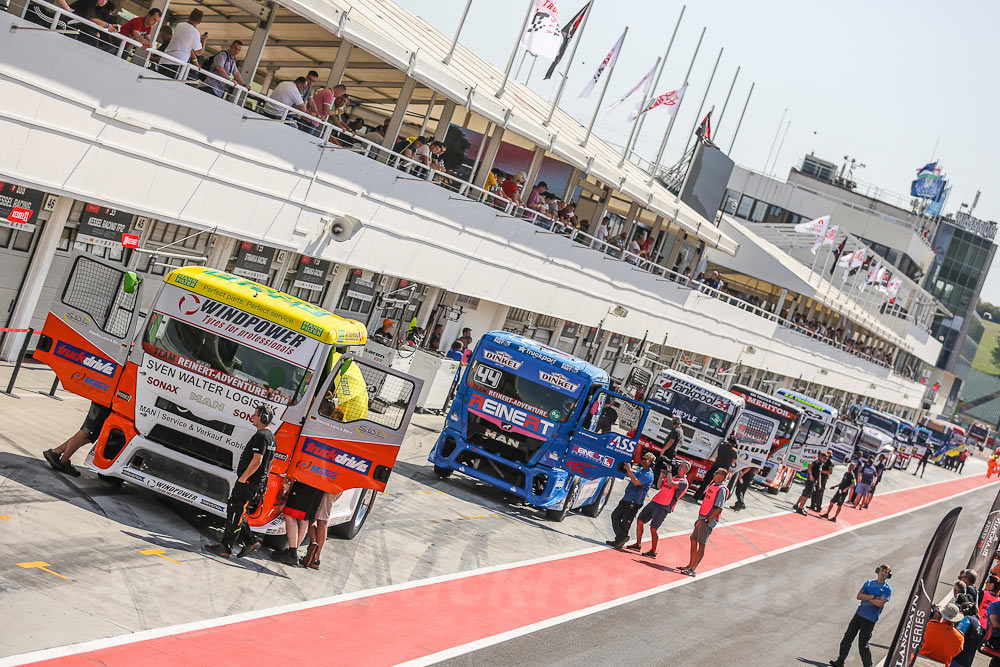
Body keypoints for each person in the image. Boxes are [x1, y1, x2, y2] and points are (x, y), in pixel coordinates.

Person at [204, 405, 276, 559]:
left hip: (248, 483)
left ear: (263, 418)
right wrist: (264, 479)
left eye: (256, 414)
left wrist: (244, 478)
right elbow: (270, 463)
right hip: (255, 483)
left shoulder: (261, 436)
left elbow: (258, 461)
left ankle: (226, 546)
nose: (253, 416)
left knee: (235, 512)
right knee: (236, 510)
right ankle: (249, 541)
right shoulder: (271, 437)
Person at [828, 564, 893, 667]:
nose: (884, 573)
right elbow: (859, 596)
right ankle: (840, 662)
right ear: (878, 571)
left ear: (888, 575)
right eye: (882, 570)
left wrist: (866, 597)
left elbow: (880, 603)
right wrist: (873, 597)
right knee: (847, 639)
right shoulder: (869, 583)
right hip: (859, 615)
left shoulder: (887, 589)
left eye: (886, 572)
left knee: (863, 645)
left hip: (870, 619)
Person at [627, 460, 690, 558]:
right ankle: (638, 544)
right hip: (656, 501)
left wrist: (669, 471)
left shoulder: (683, 482)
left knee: (653, 528)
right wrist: (662, 474)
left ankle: (653, 551)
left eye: (682, 466)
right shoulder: (673, 476)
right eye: (680, 465)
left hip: (664, 506)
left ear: (687, 470)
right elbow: (659, 486)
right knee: (640, 520)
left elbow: (671, 483)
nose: (679, 467)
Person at [679, 467, 728, 576]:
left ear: (722, 476)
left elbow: (719, 508)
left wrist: (707, 520)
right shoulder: (713, 485)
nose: (714, 474)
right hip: (702, 517)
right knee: (693, 539)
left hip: (707, 520)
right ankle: (690, 564)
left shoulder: (722, 489)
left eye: (716, 473)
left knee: (701, 543)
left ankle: (692, 569)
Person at [43, 402, 112, 477]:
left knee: (92, 436)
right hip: (105, 402)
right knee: (87, 431)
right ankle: (63, 460)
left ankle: (56, 452)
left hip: (108, 402)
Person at [607, 452, 655, 549]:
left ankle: (620, 539)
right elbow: (632, 476)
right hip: (627, 498)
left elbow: (636, 482)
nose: (645, 461)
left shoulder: (649, 474)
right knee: (615, 516)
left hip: (634, 501)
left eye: (648, 460)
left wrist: (629, 470)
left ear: (652, 463)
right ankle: (621, 538)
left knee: (625, 522)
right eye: (644, 459)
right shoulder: (641, 469)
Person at [162, 9, 205, 79]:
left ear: (189, 17)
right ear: (199, 22)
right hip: (177, 63)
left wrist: (195, 61)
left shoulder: (179, 25)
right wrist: (204, 41)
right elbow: (199, 52)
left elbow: (187, 47)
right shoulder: (195, 32)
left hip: (164, 59)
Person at [693, 435, 737, 501]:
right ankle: (710, 499)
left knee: (705, 482)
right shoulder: (734, 451)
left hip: (715, 466)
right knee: (717, 486)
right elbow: (734, 461)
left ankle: (696, 496)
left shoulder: (722, 446)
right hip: (723, 471)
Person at [653, 415, 685, 488]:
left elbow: (671, 441)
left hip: (669, 451)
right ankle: (660, 483)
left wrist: (663, 450)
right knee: (666, 467)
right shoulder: (680, 430)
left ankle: (655, 482)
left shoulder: (675, 430)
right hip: (673, 451)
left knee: (660, 466)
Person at [952, 594, 984, 667]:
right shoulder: (978, 622)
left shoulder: (966, 619)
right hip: (968, 659)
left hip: (959, 657)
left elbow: (956, 634)